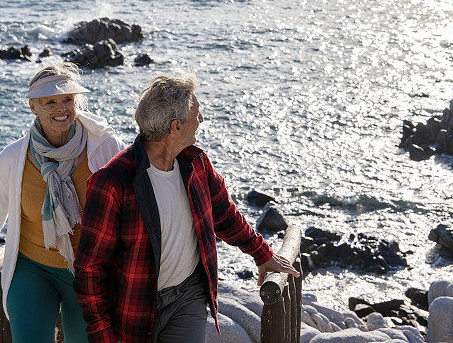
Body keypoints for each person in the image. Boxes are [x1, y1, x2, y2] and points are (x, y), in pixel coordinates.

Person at [74, 72, 299, 343]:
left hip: (188, 295)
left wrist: (262, 254)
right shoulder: (112, 182)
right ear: (176, 127)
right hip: (134, 306)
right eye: (197, 113)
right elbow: (90, 268)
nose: (201, 120)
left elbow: (225, 214)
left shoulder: (197, 164)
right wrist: (101, 335)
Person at [0, 64, 126, 343]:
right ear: (34, 107)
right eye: (50, 101)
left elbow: (129, 209)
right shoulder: (13, 158)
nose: (62, 108)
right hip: (33, 269)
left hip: (90, 273)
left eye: (68, 99)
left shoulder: (104, 147)